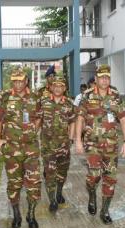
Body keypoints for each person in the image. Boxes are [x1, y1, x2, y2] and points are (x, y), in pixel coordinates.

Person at [75, 64, 125, 224]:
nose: (104, 80)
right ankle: (92, 195)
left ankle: (104, 211)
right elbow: (79, 118)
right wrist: (78, 140)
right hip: (93, 145)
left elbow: (124, 119)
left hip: (111, 145)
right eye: (101, 77)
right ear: (97, 79)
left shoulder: (116, 97)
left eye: (107, 77)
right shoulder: (87, 96)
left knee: (110, 178)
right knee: (93, 176)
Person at [0, 69, 42, 228]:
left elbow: (38, 117)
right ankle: (16, 214)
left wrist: (33, 129)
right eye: (15, 80)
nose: (18, 83)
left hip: (31, 149)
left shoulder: (35, 97)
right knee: (14, 184)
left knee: (33, 183)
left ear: (26, 80)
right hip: (12, 149)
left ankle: (31, 213)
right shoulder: (5, 97)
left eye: (21, 80)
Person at [40, 76, 76, 212]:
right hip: (47, 147)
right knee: (49, 174)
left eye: (60, 86)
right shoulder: (43, 102)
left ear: (64, 88)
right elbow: (38, 121)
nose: (57, 88)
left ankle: (59, 192)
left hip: (64, 145)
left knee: (62, 172)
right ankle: (52, 200)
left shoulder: (69, 104)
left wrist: (71, 138)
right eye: (55, 85)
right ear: (51, 87)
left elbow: (72, 121)